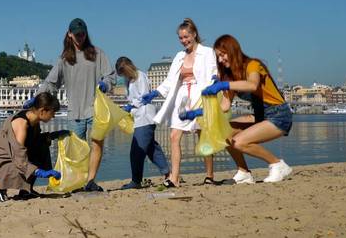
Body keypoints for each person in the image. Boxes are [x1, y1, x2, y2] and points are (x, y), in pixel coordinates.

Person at [184, 34, 292, 183]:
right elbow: (225, 106)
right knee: (224, 133)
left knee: (239, 142)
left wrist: (224, 85)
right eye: (218, 57)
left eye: (223, 55)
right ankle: (244, 172)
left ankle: (277, 164)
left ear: (233, 50)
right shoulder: (229, 75)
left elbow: (252, 85)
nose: (221, 60)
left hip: (279, 115)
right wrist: (199, 112)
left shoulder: (253, 65)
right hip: (260, 116)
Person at [27, 18, 115, 192]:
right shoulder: (64, 59)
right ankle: (79, 181)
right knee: (76, 150)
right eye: (77, 34)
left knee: (97, 143)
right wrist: (35, 98)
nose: (80, 37)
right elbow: (51, 83)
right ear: (69, 34)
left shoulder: (98, 54)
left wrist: (106, 84)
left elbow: (110, 75)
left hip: (95, 109)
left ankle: (90, 181)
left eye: (83, 33)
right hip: (75, 111)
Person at [141, 18, 217, 187]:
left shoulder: (207, 52)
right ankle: (174, 178)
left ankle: (210, 175)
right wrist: (155, 92)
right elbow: (170, 80)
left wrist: (215, 79)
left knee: (202, 136)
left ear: (194, 34)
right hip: (182, 97)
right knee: (174, 136)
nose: (184, 41)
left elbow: (214, 72)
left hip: (200, 95)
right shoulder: (179, 56)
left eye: (186, 37)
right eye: (181, 38)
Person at [0, 92, 69, 203]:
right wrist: (39, 172)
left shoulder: (34, 120)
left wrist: (53, 135)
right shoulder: (21, 123)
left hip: (13, 156)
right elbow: (19, 157)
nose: (53, 116)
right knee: (22, 165)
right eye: (52, 113)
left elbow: (35, 140)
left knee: (41, 147)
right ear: (42, 111)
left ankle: (26, 191)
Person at [115, 57, 171, 189]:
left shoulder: (141, 77)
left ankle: (136, 180)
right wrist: (129, 107)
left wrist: (131, 105)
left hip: (145, 118)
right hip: (139, 118)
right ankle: (168, 174)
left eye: (123, 73)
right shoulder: (129, 81)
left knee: (136, 151)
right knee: (152, 149)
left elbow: (144, 97)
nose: (123, 76)